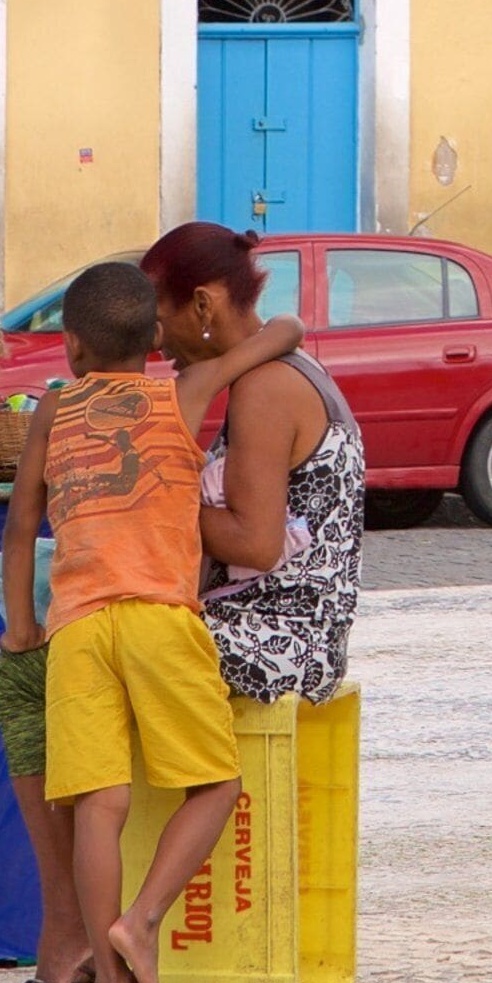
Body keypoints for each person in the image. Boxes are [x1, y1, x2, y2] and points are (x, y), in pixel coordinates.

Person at [0, 261, 258, 983]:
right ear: (152, 337)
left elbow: (18, 530)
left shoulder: (51, 410)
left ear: (71, 346)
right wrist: (217, 341)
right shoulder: (185, 390)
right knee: (214, 786)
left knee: (99, 809)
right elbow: (285, 333)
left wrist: (20, 628)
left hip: (75, 629)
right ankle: (141, 920)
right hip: (158, 619)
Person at [146, 223, 364, 704]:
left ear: (203, 305)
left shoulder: (264, 387)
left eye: (159, 322)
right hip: (289, 636)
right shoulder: (281, 364)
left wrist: (149, 502)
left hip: (272, 642)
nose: (158, 346)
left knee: (95, 652)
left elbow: (255, 543)